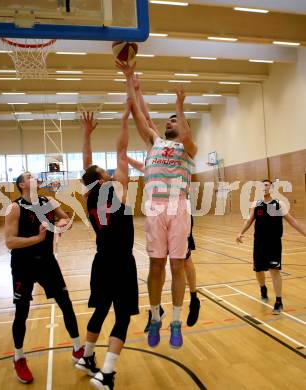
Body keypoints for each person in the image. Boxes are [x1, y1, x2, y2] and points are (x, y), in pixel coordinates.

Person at [117, 60, 197, 349]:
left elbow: (187, 134)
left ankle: (176, 321)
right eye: (168, 120)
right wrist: (129, 80)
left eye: (174, 120)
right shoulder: (154, 142)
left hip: (178, 208)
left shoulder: (188, 148)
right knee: (155, 266)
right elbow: (139, 116)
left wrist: (180, 105)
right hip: (155, 208)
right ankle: (154, 317)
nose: (169, 122)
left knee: (177, 266)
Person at [74, 103, 139, 390]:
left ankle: (87, 357)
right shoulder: (116, 188)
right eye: (105, 170)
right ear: (103, 178)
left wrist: (86, 134)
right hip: (121, 262)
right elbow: (122, 152)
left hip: (101, 262)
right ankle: (107, 373)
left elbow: (87, 166)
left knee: (101, 310)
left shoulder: (89, 195)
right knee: (122, 315)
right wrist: (125, 120)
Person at [4, 172, 83, 384]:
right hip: (23, 265)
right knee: (22, 312)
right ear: (21, 184)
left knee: (66, 303)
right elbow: (10, 242)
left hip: (47, 262)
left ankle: (78, 349)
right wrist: (38, 238)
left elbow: (66, 218)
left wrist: (61, 225)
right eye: (29, 176)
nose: (35, 177)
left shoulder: (47, 201)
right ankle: (19, 357)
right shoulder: (15, 208)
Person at [127, 156, 200, 332]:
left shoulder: (176, 158)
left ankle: (194, 297)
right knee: (158, 264)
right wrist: (123, 155)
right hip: (160, 212)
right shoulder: (152, 166)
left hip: (179, 213)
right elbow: (141, 165)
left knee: (183, 261)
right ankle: (157, 309)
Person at [236, 179, 306, 313]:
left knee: (274, 270)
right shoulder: (256, 204)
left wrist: (305, 234)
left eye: (267, 185)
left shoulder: (279, 204)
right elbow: (249, 220)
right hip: (259, 243)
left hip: (274, 243)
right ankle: (263, 287)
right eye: (262, 186)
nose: (264, 187)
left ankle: (278, 301)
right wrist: (240, 232)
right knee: (258, 270)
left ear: (272, 188)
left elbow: (292, 221)